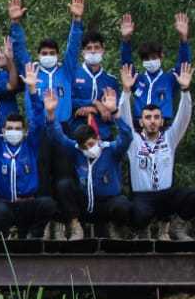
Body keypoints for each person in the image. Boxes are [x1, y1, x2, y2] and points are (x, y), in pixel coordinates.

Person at [8, 0, 85, 239]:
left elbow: (74, 48)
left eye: (52, 52)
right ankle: (47, 222)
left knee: (64, 177)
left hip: (62, 127)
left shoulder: (66, 70)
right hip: (38, 130)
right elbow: (20, 50)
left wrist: (76, 20)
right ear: (39, 54)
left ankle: (68, 221)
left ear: (57, 55)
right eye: (44, 52)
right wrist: (16, 24)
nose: (48, 55)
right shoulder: (32, 71)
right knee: (41, 176)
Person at [119, 63, 195, 240]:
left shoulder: (170, 138)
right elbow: (124, 117)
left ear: (161, 121)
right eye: (148, 117)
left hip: (165, 196)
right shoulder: (133, 141)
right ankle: (143, 230)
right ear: (141, 122)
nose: (152, 121)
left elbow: (183, 117)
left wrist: (185, 90)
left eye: (156, 117)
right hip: (142, 197)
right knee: (137, 213)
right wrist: (126, 91)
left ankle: (173, 227)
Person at [46, 86, 134, 240]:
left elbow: (126, 136)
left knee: (123, 205)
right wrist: (51, 114)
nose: (89, 149)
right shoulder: (77, 150)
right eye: (84, 147)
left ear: (98, 138)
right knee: (64, 185)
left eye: (91, 144)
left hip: (107, 203)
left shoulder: (111, 150)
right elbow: (58, 137)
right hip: (84, 204)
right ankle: (75, 226)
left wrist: (114, 112)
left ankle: (115, 227)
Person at [0, 63, 58, 238]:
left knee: (48, 204)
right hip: (5, 204)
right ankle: (7, 237)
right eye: (10, 128)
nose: (14, 131)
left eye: (18, 128)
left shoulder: (30, 145)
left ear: (24, 131)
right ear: (3, 131)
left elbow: (38, 120)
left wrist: (33, 89)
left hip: (28, 204)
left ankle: (35, 234)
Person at [119, 12, 192, 123]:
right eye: (146, 59)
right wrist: (126, 40)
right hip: (140, 126)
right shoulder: (136, 79)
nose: (150, 61)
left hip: (163, 126)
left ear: (161, 57)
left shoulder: (170, 79)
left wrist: (184, 39)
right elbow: (126, 65)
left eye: (153, 57)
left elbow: (184, 65)